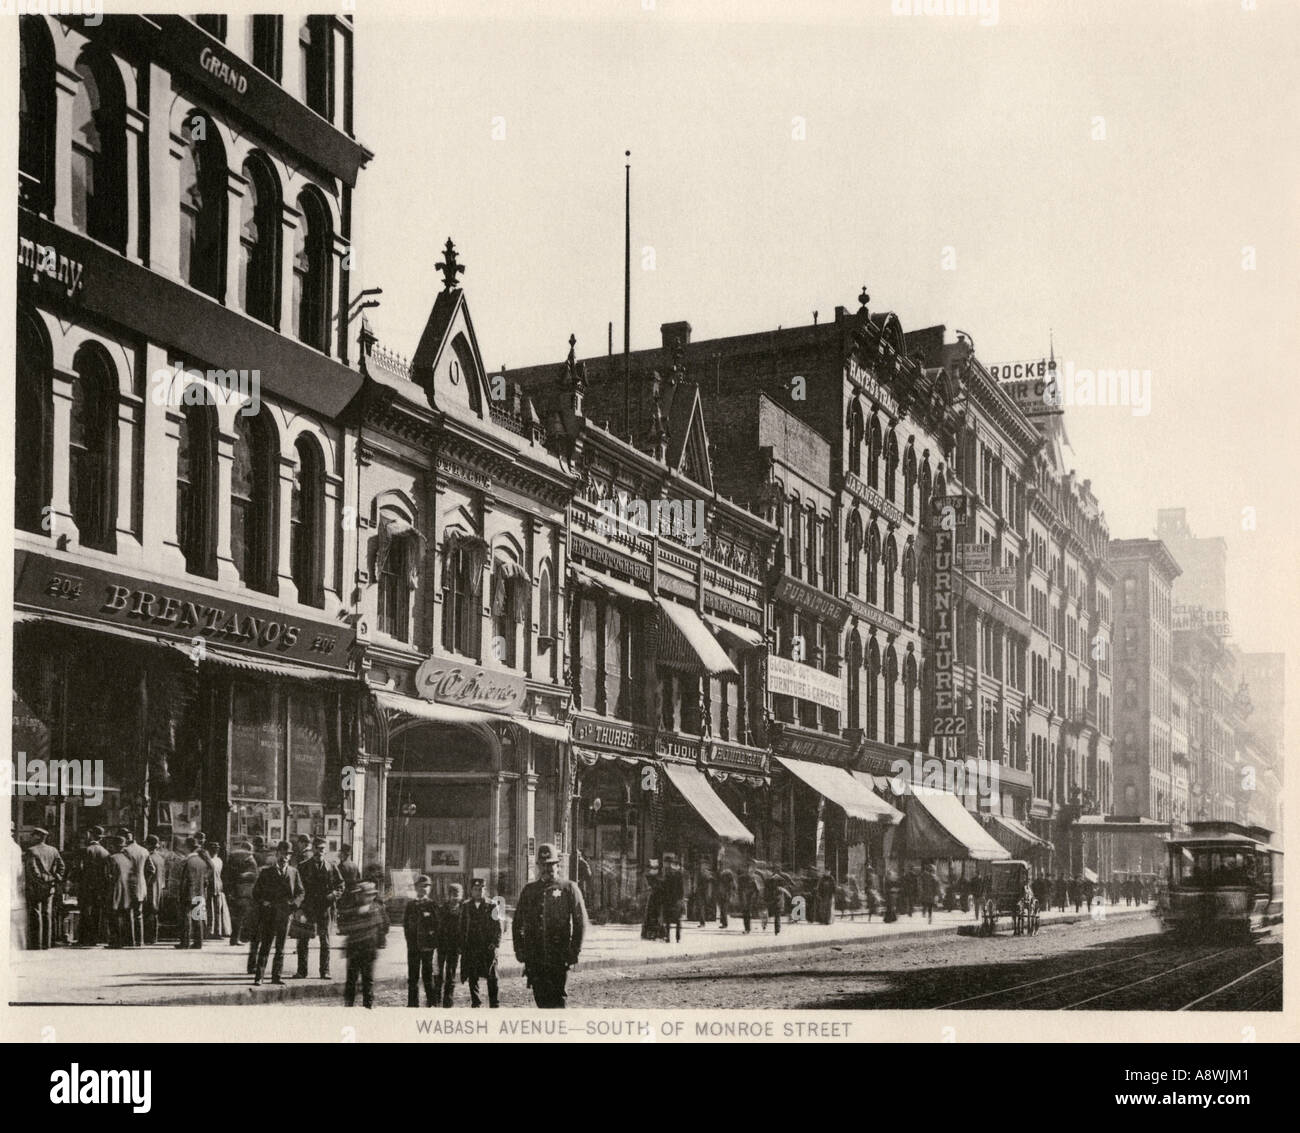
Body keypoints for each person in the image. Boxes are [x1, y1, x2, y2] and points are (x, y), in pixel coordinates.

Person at [513, 843, 586, 1008]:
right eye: (543, 865)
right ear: (538, 866)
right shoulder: (529, 891)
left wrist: (573, 951)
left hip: (559, 955)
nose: (547, 869)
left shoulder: (569, 888)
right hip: (535, 957)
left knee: (559, 1000)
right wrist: (520, 950)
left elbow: (580, 923)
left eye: (551, 865)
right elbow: (517, 923)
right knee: (540, 999)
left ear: (558, 865)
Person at [252, 841, 303, 985]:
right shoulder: (266, 872)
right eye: (282, 853)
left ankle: (276, 976)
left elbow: (300, 892)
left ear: (290, 856)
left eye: (287, 854)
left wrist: (294, 905)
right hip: (269, 914)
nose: (284, 856)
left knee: (281, 947)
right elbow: (256, 892)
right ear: (277, 854)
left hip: (285, 915)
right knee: (266, 945)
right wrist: (264, 902)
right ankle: (259, 977)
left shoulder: (293, 872)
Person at [295, 837, 344, 980]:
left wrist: (335, 894)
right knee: (303, 939)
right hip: (308, 907)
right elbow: (298, 887)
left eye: (322, 849)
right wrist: (299, 907)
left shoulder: (331, 867)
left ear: (325, 850)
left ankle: (325, 971)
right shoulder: (303, 867)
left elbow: (340, 885)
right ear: (312, 849)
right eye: (316, 848)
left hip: (325, 908)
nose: (319, 852)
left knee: (325, 940)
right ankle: (301, 971)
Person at [339, 881, 388, 1008]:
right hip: (354, 950)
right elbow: (343, 925)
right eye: (359, 894)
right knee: (351, 981)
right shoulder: (352, 909)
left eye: (365, 895)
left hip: (369, 951)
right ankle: (348, 1006)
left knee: (368, 982)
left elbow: (384, 925)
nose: (360, 897)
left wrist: (379, 938)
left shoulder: (377, 908)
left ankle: (368, 1007)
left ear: (371, 895)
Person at [460, 877, 501, 1008]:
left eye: (481, 889)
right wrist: (462, 944)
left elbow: (498, 927)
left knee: (492, 976)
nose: (478, 892)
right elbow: (461, 925)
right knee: (472, 976)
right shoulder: (466, 906)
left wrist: (495, 943)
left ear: (485, 890)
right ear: (471, 891)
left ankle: (494, 1003)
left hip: (487, 947)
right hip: (471, 947)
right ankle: (475, 1002)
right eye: (475, 889)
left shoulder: (492, 905)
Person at [24, 827, 65, 950]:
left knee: (36, 914)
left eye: (33, 835)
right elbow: (61, 867)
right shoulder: (53, 850)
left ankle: (37, 944)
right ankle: (47, 944)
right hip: (50, 887)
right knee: (47, 914)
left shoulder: (31, 851)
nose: (31, 837)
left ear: (37, 836)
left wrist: (41, 881)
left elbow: (32, 870)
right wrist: (55, 878)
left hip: (36, 887)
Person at [403, 875, 439, 1007]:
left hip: (427, 947)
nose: (424, 889)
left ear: (430, 889)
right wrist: (410, 942)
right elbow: (406, 925)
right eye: (421, 886)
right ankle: (412, 1004)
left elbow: (437, 926)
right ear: (416, 888)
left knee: (428, 976)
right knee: (412, 977)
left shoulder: (432, 905)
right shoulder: (410, 905)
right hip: (413, 947)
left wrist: (432, 944)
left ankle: (432, 1003)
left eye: (427, 886)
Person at [174, 837, 210, 949]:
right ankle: (198, 942)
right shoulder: (202, 861)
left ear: (188, 847)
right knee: (197, 917)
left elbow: (184, 879)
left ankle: (184, 942)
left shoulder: (187, 861)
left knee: (186, 918)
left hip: (188, 893)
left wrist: (180, 893)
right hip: (200, 893)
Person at [76, 826, 109, 947]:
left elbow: (79, 868)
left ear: (91, 835)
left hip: (86, 886)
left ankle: (84, 938)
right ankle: (94, 938)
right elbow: (106, 872)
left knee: (85, 911)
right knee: (96, 912)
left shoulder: (86, 850)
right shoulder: (106, 852)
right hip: (99, 887)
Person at [116, 828, 149, 946]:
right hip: (141, 885)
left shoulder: (124, 851)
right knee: (138, 914)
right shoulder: (144, 851)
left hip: (128, 885)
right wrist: (143, 880)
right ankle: (140, 941)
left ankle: (130, 940)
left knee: (128, 913)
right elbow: (151, 869)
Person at [225, 841, 260, 948]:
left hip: (238, 890)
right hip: (246, 890)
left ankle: (235, 938)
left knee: (238, 915)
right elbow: (253, 874)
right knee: (242, 915)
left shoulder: (234, 859)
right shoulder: (248, 860)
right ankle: (237, 938)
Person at [433, 883, 464, 1006]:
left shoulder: (464, 910)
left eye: (458, 894)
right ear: (448, 896)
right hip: (442, 945)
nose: (455, 897)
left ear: (461, 896)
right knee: (438, 973)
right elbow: (437, 927)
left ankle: (448, 999)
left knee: (451, 974)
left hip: (455, 947)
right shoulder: (442, 909)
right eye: (453, 894)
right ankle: (436, 998)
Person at [103, 836, 135, 948]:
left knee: (113, 916)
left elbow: (107, 876)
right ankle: (125, 940)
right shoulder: (128, 859)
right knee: (124, 915)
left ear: (114, 846)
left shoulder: (111, 858)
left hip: (114, 890)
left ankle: (115, 942)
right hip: (127, 892)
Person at [142, 835, 168, 945]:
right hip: (158, 888)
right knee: (154, 913)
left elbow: (149, 872)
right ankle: (154, 937)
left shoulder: (149, 857)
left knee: (148, 912)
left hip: (150, 888)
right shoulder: (160, 858)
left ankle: (148, 938)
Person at [205, 841, 231, 939]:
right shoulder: (207, 860)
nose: (215, 849)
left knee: (217, 910)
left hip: (218, 886)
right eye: (213, 847)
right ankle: (209, 931)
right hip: (209, 887)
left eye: (217, 848)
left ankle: (217, 931)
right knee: (209, 910)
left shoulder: (219, 860)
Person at [660, 854, 685, 943]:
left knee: (668, 919)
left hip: (669, 898)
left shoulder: (668, 873)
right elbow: (681, 887)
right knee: (676, 918)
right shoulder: (678, 872)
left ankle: (668, 936)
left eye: (665, 862)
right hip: (675, 898)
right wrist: (681, 898)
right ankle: (677, 936)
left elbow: (665, 886)